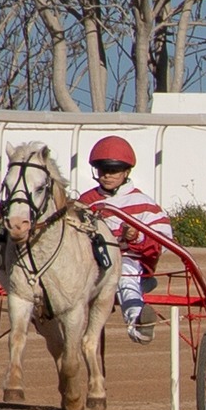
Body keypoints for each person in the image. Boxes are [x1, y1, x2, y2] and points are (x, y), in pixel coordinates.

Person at [77, 135, 174, 343]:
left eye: (113, 171)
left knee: (123, 272)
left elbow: (164, 242)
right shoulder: (85, 201)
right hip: (89, 264)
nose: (107, 176)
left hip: (127, 263)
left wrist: (136, 237)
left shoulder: (144, 203)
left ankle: (138, 324)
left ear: (126, 172)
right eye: (103, 170)